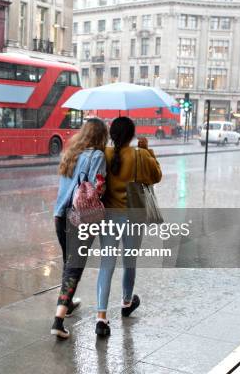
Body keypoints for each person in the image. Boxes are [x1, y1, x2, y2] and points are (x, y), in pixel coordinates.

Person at [95, 117, 162, 336]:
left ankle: (101, 317)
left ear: (112, 134)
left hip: (109, 217)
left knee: (107, 263)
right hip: (134, 216)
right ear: (132, 135)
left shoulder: (103, 153)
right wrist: (148, 150)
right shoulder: (140, 154)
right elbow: (156, 176)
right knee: (129, 261)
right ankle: (126, 302)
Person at [51, 118, 108, 339]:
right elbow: (98, 187)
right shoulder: (97, 156)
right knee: (74, 268)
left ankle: (68, 302)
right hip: (80, 217)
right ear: (101, 136)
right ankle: (58, 320)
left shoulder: (71, 153)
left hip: (60, 215)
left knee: (68, 264)